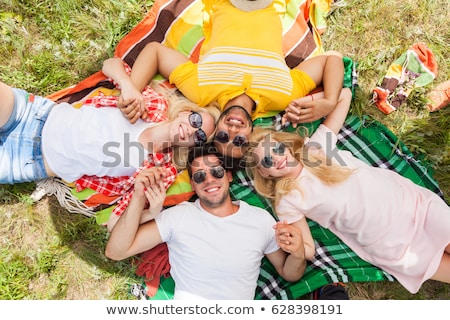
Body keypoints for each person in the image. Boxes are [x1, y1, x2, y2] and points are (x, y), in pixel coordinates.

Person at [244, 87, 450, 294]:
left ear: (287, 146)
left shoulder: (315, 148)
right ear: (265, 173)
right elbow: (308, 249)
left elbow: (344, 95)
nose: (278, 158)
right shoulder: (287, 199)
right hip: (390, 243)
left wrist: (312, 104)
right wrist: (295, 247)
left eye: (277, 149)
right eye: (268, 160)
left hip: (411, 207)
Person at [101, 0, 347, 161]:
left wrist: (132, 88)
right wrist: (329, 101)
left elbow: (155, 51)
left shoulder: (201, 92)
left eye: (222, 137)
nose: (232, 130)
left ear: (214, 129)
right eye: (239, 140)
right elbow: (331, 60)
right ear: (252, 135)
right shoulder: (284, 97)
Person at [105, 143, 308, 299]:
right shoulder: (178, 216)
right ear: (193, 185)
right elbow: (116, 251)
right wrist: (139, 197)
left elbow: (289, 273)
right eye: (200, 176)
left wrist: (298, 252)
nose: (209, 179)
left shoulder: (260, 219)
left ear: (228, 176)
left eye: (216, 172)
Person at [0, 81, 220, 185]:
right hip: (33, 113)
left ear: (192, 146)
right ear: (185, 113)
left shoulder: (160, 171)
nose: (192, 129)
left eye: (199, 136)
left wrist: (150, 209)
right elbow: (112, 64)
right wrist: (128, 86)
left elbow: (118, 218)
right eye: (196, 120)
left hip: (30, 162)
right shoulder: (152, 104)